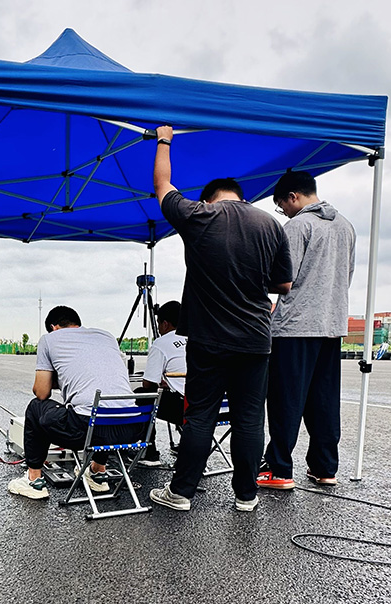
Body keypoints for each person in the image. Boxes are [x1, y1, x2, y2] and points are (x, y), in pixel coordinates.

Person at [150, 125, 293, 512]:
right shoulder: (270, 224)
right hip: (255, 340)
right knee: (249, 418)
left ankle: (181, 493)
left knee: (200, 415)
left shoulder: (199, 215)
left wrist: (164, 140)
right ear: (242, 198)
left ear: (208, 198)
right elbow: (284, 284)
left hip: (208, 338)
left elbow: (162, 185)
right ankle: (247, 495)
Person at [258, 171, 356, 490]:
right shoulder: (346, 226)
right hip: (331, 324)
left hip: (295, 327)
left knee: (286, 399)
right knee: (324, 400)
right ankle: (325, 468)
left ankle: (279, 469)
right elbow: (347, 275)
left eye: (282, 205)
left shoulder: (298, 226)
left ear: (293, 197)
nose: (283, 212)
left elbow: (284, 280)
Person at [7, 306, 141, 500]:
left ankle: (33, 480)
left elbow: (42, 392)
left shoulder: (49, 339)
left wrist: (57, 378)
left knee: (36, 407)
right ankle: (97, 472)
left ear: (53, 327)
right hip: (131, 429)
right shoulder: (106, 336)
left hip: (86, 430)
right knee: (104, 411)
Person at [135, 300, 187, 467]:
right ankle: (190, 446)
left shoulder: (161, 343)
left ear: (165, 323)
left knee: (142, 395)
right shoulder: (198, 337)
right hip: (212, 407)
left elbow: (148, 384)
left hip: (184, 409)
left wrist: (159, 383)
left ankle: (149, 452)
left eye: (158, 324)